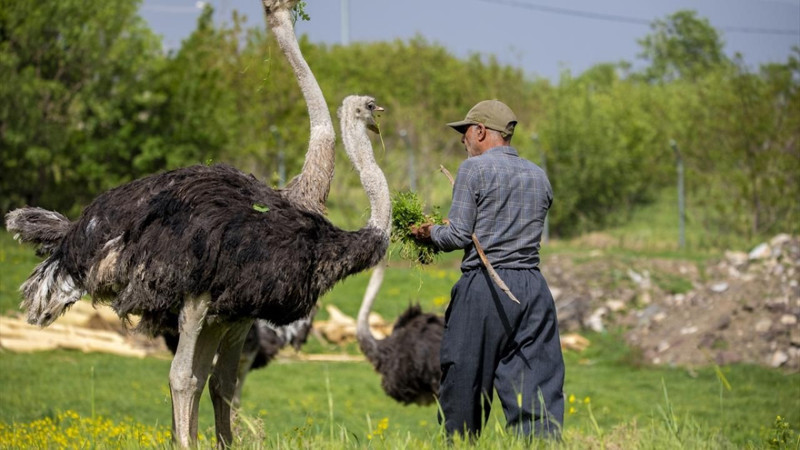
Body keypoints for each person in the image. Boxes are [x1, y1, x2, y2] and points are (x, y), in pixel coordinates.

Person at [411, 100, 564, 440]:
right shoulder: (538, 175)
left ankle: (461, 445)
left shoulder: (474, 169)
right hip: (532, 289)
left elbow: (457, 236)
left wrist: (427, 232)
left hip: (486, 287)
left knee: (464, 383)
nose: (463, 141)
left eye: (465, 132)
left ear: (480, 131)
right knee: (535, 385)